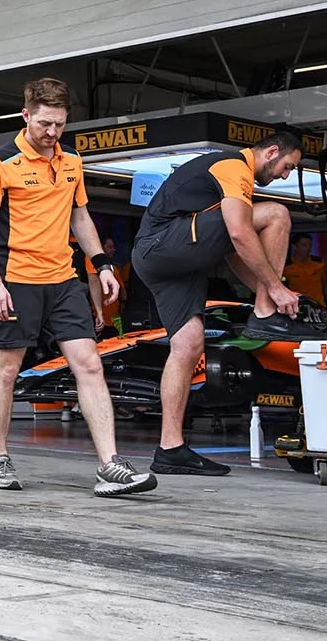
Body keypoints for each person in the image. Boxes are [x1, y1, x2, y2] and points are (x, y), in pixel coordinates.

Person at [0, 79, 156, 498]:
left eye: (59, 125)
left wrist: (102, 264)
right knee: (7, 369)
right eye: (44, 124)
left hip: (63, 278)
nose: (52, 133)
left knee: (90, 365)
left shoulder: (72, 160)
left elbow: (81, 218)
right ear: (26, 115)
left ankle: (110, 464)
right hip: (16, 279)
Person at [132, 132, 310, 476]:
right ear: (271, 152)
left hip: (163, 258)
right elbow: (241, 235)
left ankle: (170, 449)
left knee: (187, 345)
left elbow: (232, 250)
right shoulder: (232, 165)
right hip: (164, 243)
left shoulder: (231, 186)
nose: (285, 175)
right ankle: (264, 315)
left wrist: (276, 290)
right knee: (276, 214)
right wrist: (273, 292)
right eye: (287, 167)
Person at [283, 236, 326, 304]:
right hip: (299, 306)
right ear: (295, 247)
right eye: (304, 245)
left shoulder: (318, 262)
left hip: (319, 306)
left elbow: (324, 285)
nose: (308, 248)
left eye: (310, 245)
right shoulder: (286, 266)